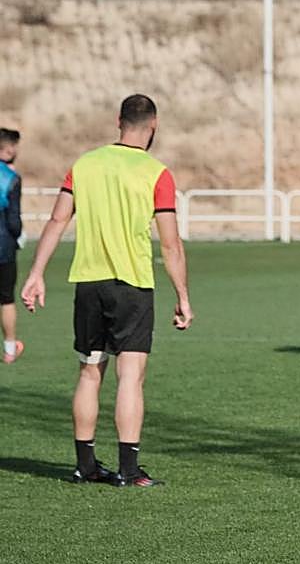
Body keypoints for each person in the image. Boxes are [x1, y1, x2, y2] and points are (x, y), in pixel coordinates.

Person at [20, 95, 193, 487]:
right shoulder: (156, 173)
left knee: (89, 372)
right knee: (130, 376)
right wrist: (182, 296)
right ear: (154, 126)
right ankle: (128, 471)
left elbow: (57, 219)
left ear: (119, 121)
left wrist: (36, 274)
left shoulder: (84, 165)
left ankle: (85, 466)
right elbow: (170, 244)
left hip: (89, 284)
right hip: (132, 285)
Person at [0, 128, 24, 364]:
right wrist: (19, 235)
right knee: (6, 299)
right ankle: (9, 349)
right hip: (3, 249)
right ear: (7, 149)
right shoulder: (11, 178)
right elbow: (14, 221)